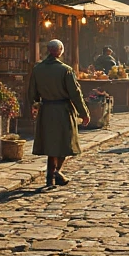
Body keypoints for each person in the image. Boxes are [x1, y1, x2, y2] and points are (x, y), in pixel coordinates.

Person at [27, 39, 90, 188]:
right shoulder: (65, 70)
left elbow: (32, 93)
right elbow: (75, 94)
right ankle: (55, 173)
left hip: (46, 110)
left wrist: (34, 106)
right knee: (65, 143)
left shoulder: (37, 69)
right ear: (60, 51)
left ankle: (51, 177)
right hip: (63, 110)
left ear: (48, 50)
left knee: (51, 144)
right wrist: (84, 113)